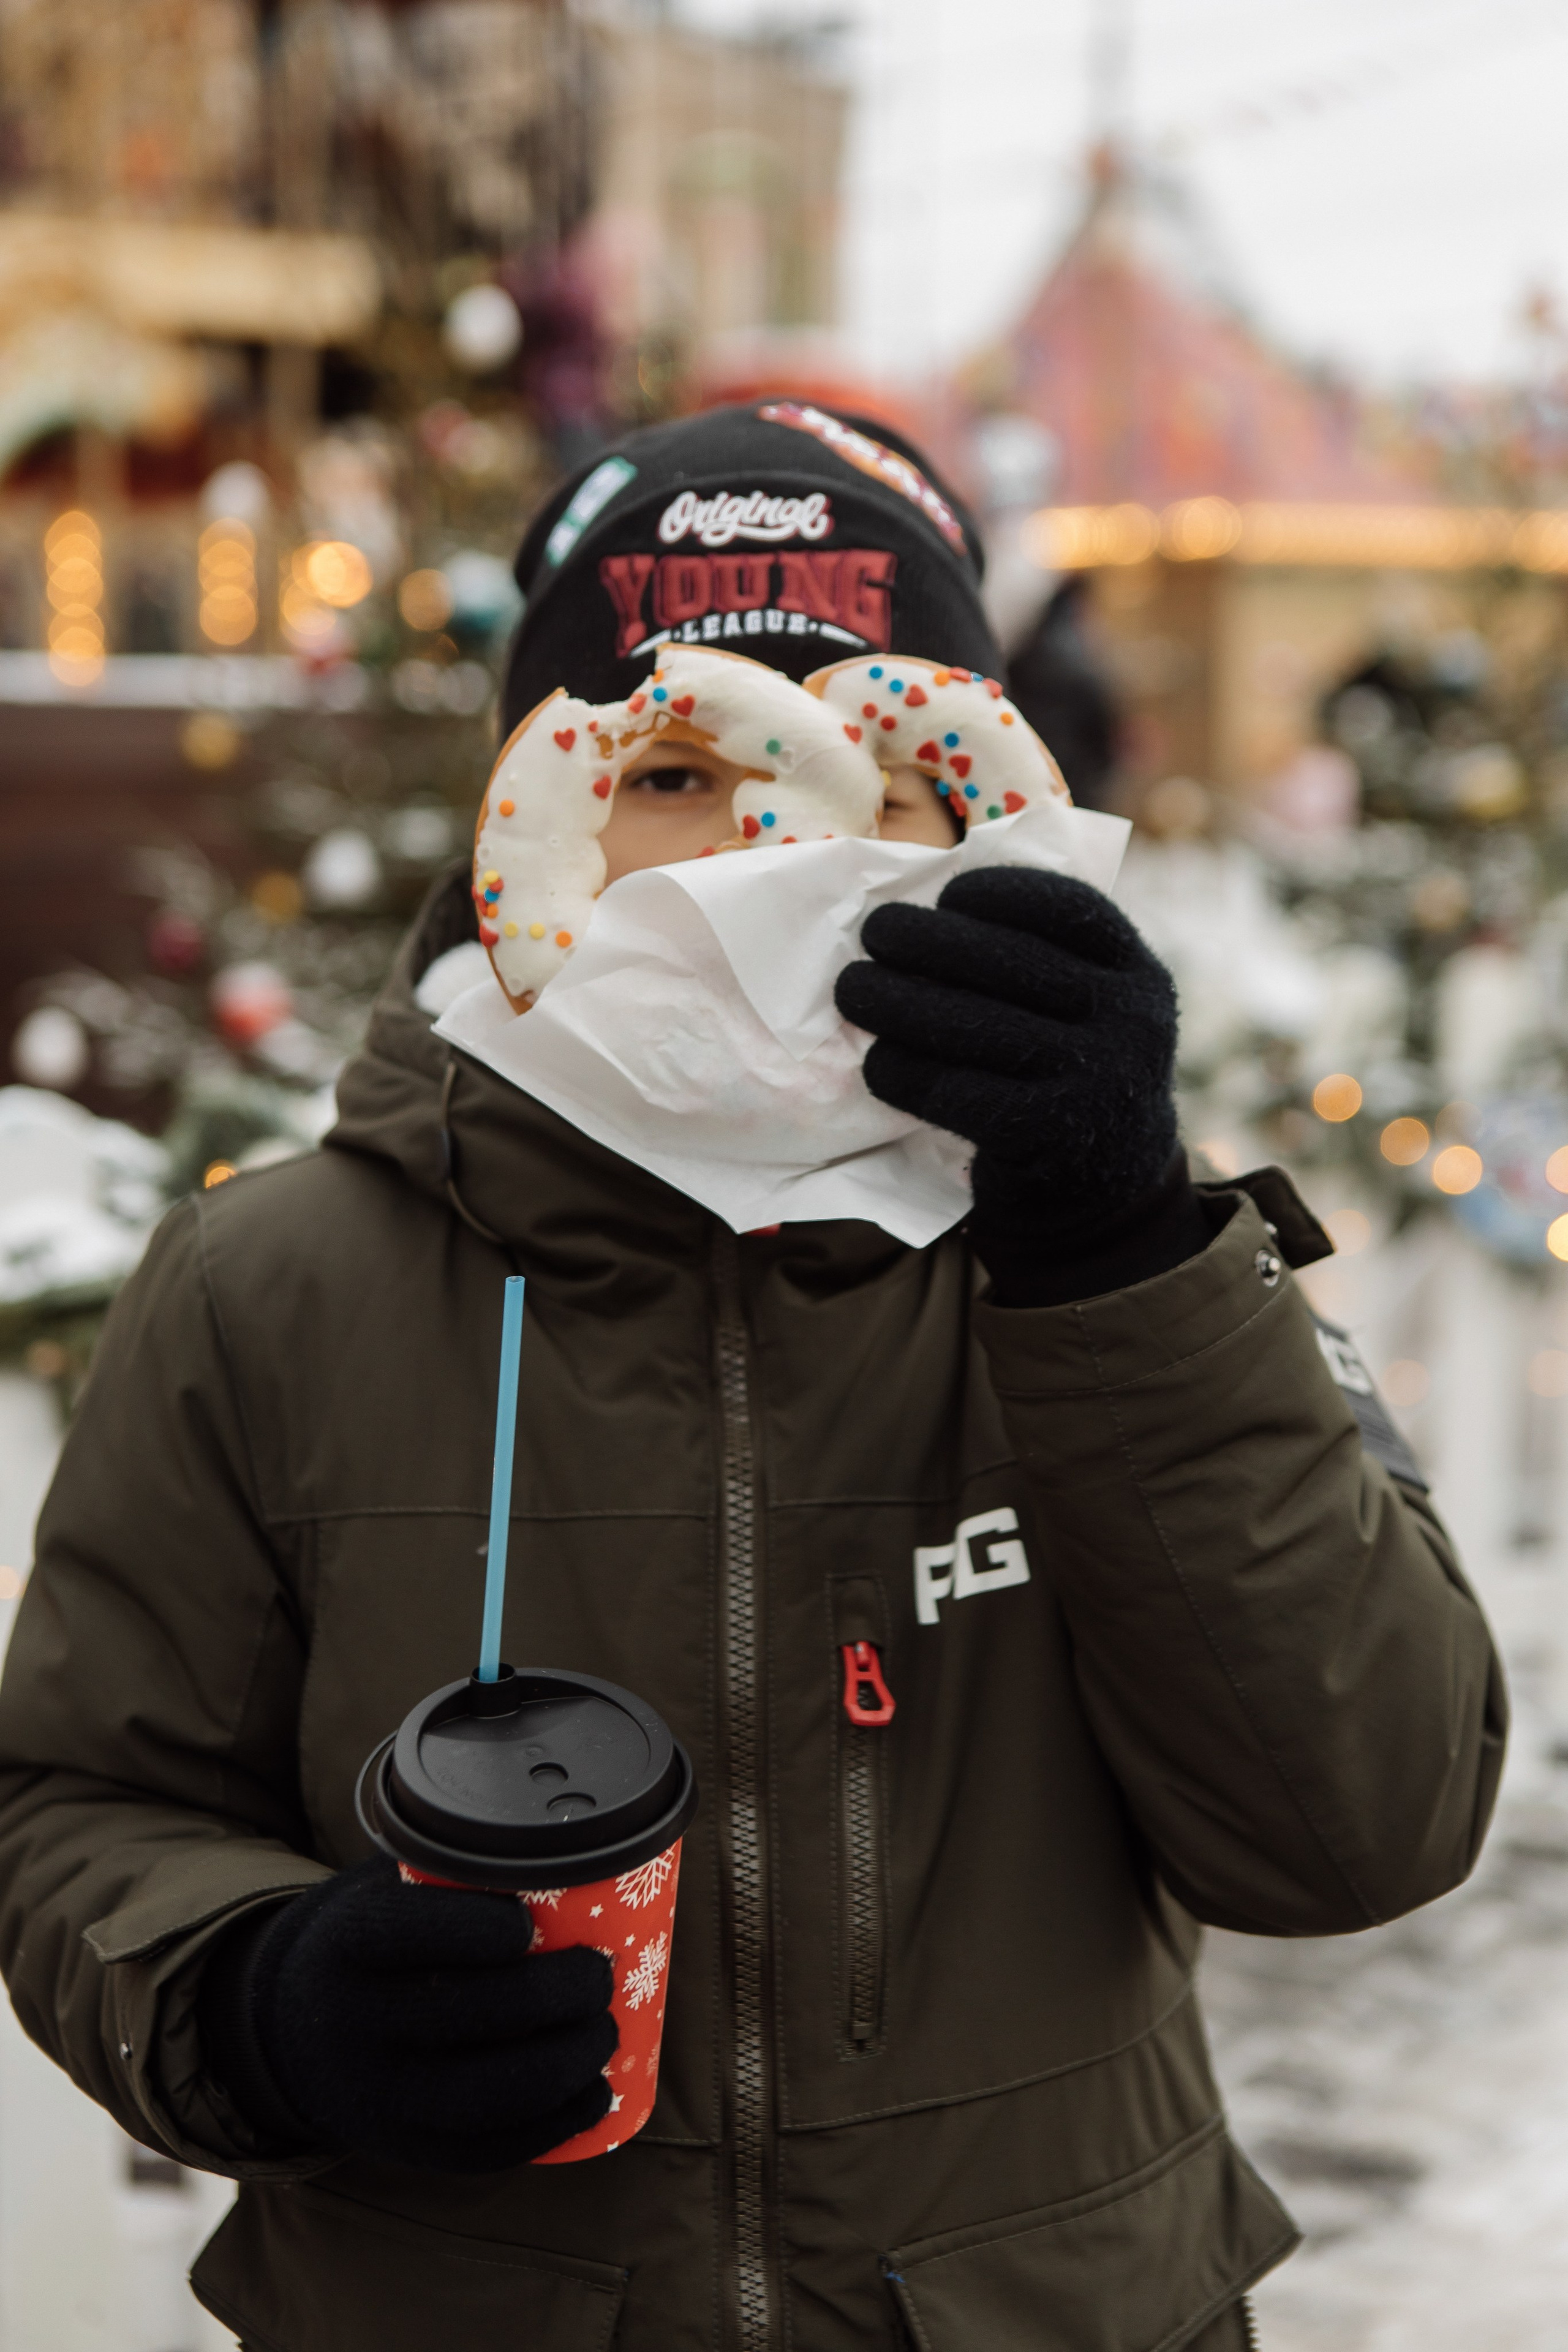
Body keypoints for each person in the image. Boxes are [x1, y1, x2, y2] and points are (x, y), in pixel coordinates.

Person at [0, 402, 1505, 2352]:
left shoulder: (1140, 1252)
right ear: (538, 811)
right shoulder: (274, 1281)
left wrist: (1119, 1252)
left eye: (878, 773)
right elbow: (77, 1805)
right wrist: (255, 1999)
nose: (780, 852)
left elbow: (1364, 1823)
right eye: (689, 770)